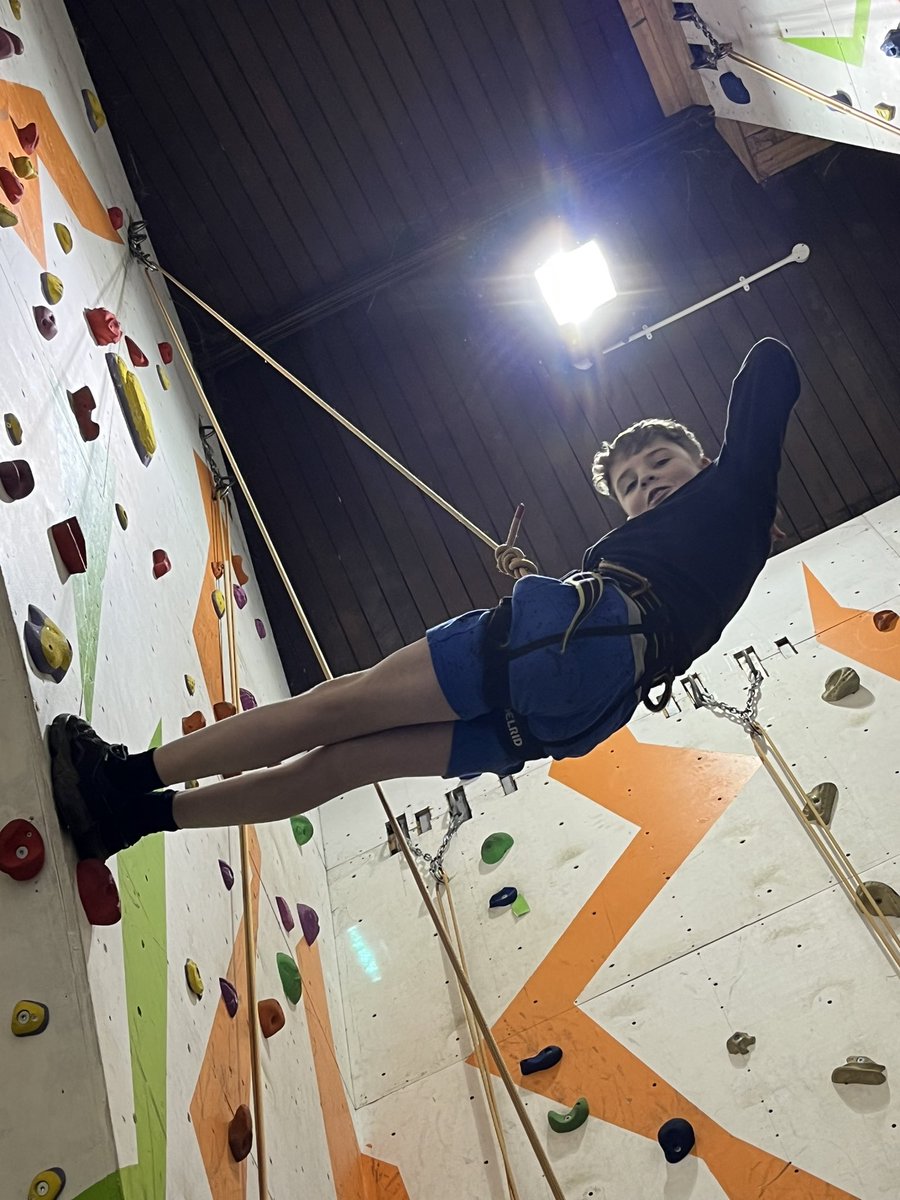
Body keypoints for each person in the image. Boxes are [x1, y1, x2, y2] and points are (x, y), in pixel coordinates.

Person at [49, 338, 801, 862]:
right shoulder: (696, 551)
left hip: (559, 648)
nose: (647, 483)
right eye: (630, 483)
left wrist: (746, 470)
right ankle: (136, 821)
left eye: (662, 463)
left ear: (703, 460)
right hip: (571, 712)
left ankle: (123, 780)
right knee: (341, 767)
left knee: (335, 709)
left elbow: (769, 363)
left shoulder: (732, 492)